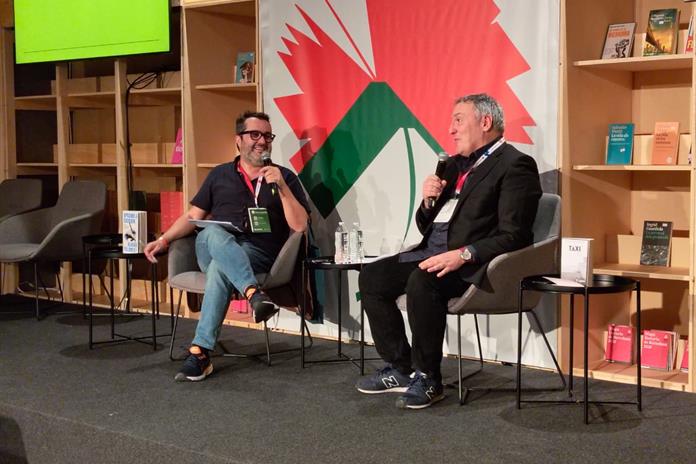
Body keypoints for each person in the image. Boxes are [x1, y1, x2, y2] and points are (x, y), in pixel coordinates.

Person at [356, 94, 542, 409]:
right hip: (430, 253)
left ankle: (428, 378)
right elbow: (425, 225)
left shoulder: (515, 164)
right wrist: (427, 202)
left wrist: (464, 254)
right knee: (373, 276)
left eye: (458, 120)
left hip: (472, 264)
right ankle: (401, 368)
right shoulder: (453, 166)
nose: (451, 129)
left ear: (485, 122)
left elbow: (516, 235)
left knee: (421, 280)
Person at [144, 110, 310, 382]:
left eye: (267, 136)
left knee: (221, 267)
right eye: (254, 134)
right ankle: (254, 294)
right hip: (211, 248)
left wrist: (281, 186)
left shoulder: (284, 177)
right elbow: (193, 216)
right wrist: (163, 240)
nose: (262, 141)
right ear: (238, 139)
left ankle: (200, 353)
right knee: (212, 233)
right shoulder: (219, 175)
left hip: (258, 254)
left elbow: (301, 225)